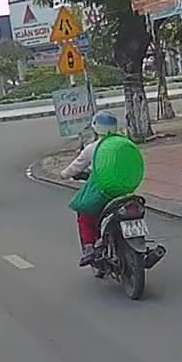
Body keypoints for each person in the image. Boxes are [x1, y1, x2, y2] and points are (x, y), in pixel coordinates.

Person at [61, 110, 121, 266]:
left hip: (104, 191)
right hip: (125, 189)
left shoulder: (93, 148)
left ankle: (89, 248)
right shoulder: (124, 144)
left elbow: (75, 167)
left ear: (96, 128)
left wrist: (64, 174)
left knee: (85, 214)